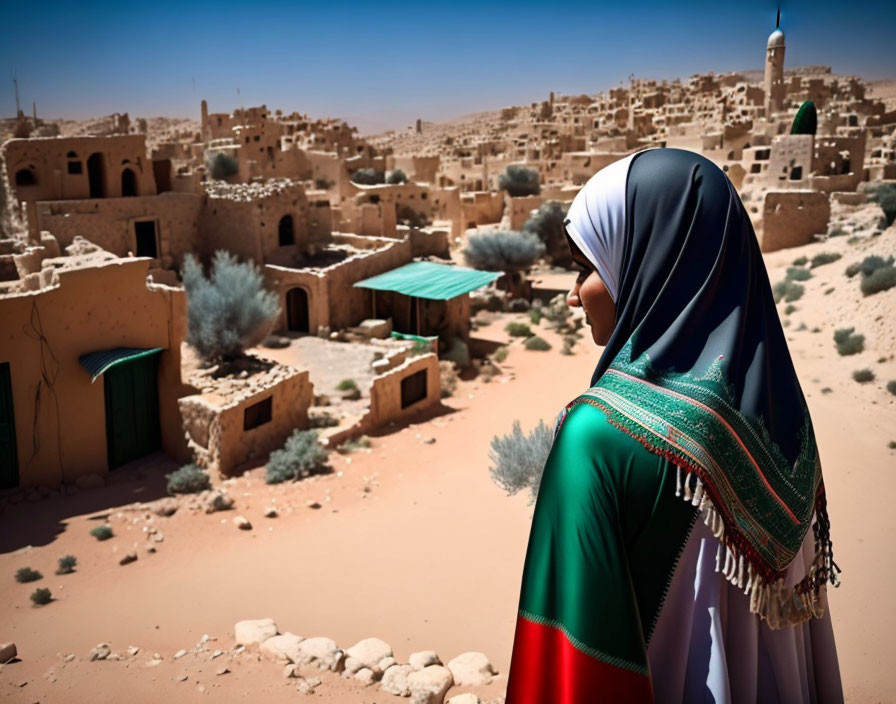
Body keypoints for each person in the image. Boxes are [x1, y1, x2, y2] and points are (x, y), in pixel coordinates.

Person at [504, 148, 843, 704]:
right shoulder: (781, 421)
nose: (572, 295)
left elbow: (570, 660)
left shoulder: (598, 440)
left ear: (650, 261)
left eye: (586, 267)